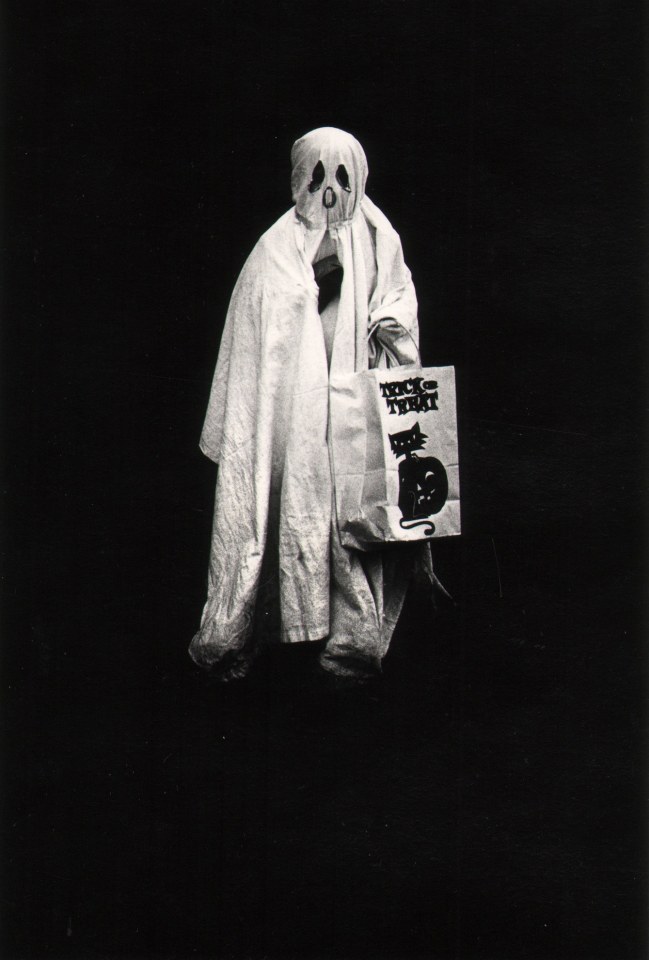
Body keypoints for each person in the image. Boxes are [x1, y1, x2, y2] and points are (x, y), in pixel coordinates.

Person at [189, 127, 441, 684]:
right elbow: (252, 339)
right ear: (298, 178)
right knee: (279, 503)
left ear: (360, 178)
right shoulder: (273, 250)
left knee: (352, 510)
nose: (329, 191)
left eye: (342, 177)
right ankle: (254, 632)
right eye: (317, 176)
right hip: (291, 412)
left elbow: (400, 295)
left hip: (354, 398)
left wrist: (388, 323)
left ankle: (350, 640)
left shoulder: (378, 237)